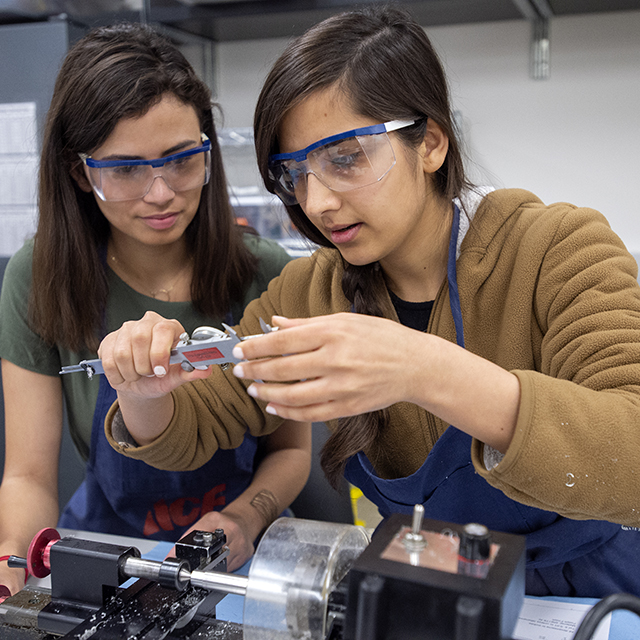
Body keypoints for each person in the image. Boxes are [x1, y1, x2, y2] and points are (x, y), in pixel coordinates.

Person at [96, 6, 640, 598]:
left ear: (430, 143)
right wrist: (141, 391)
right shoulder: (314, 292)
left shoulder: (556, 249)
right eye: (294, 173)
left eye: (346, 157)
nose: (318, 201)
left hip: (594, 588)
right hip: (439, 583)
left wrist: (423, 369)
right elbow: (204, 419)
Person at [0, 23, 311, 596]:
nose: (161, 192)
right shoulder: (38, 277)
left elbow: (292, 450)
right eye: (125, 169)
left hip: (238, 560)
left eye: (181, 159)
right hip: (104, 555)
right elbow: (27, 475)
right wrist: (15, 573)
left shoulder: (266, 273)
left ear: (209, 150)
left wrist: (245, 519)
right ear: (80, 172)